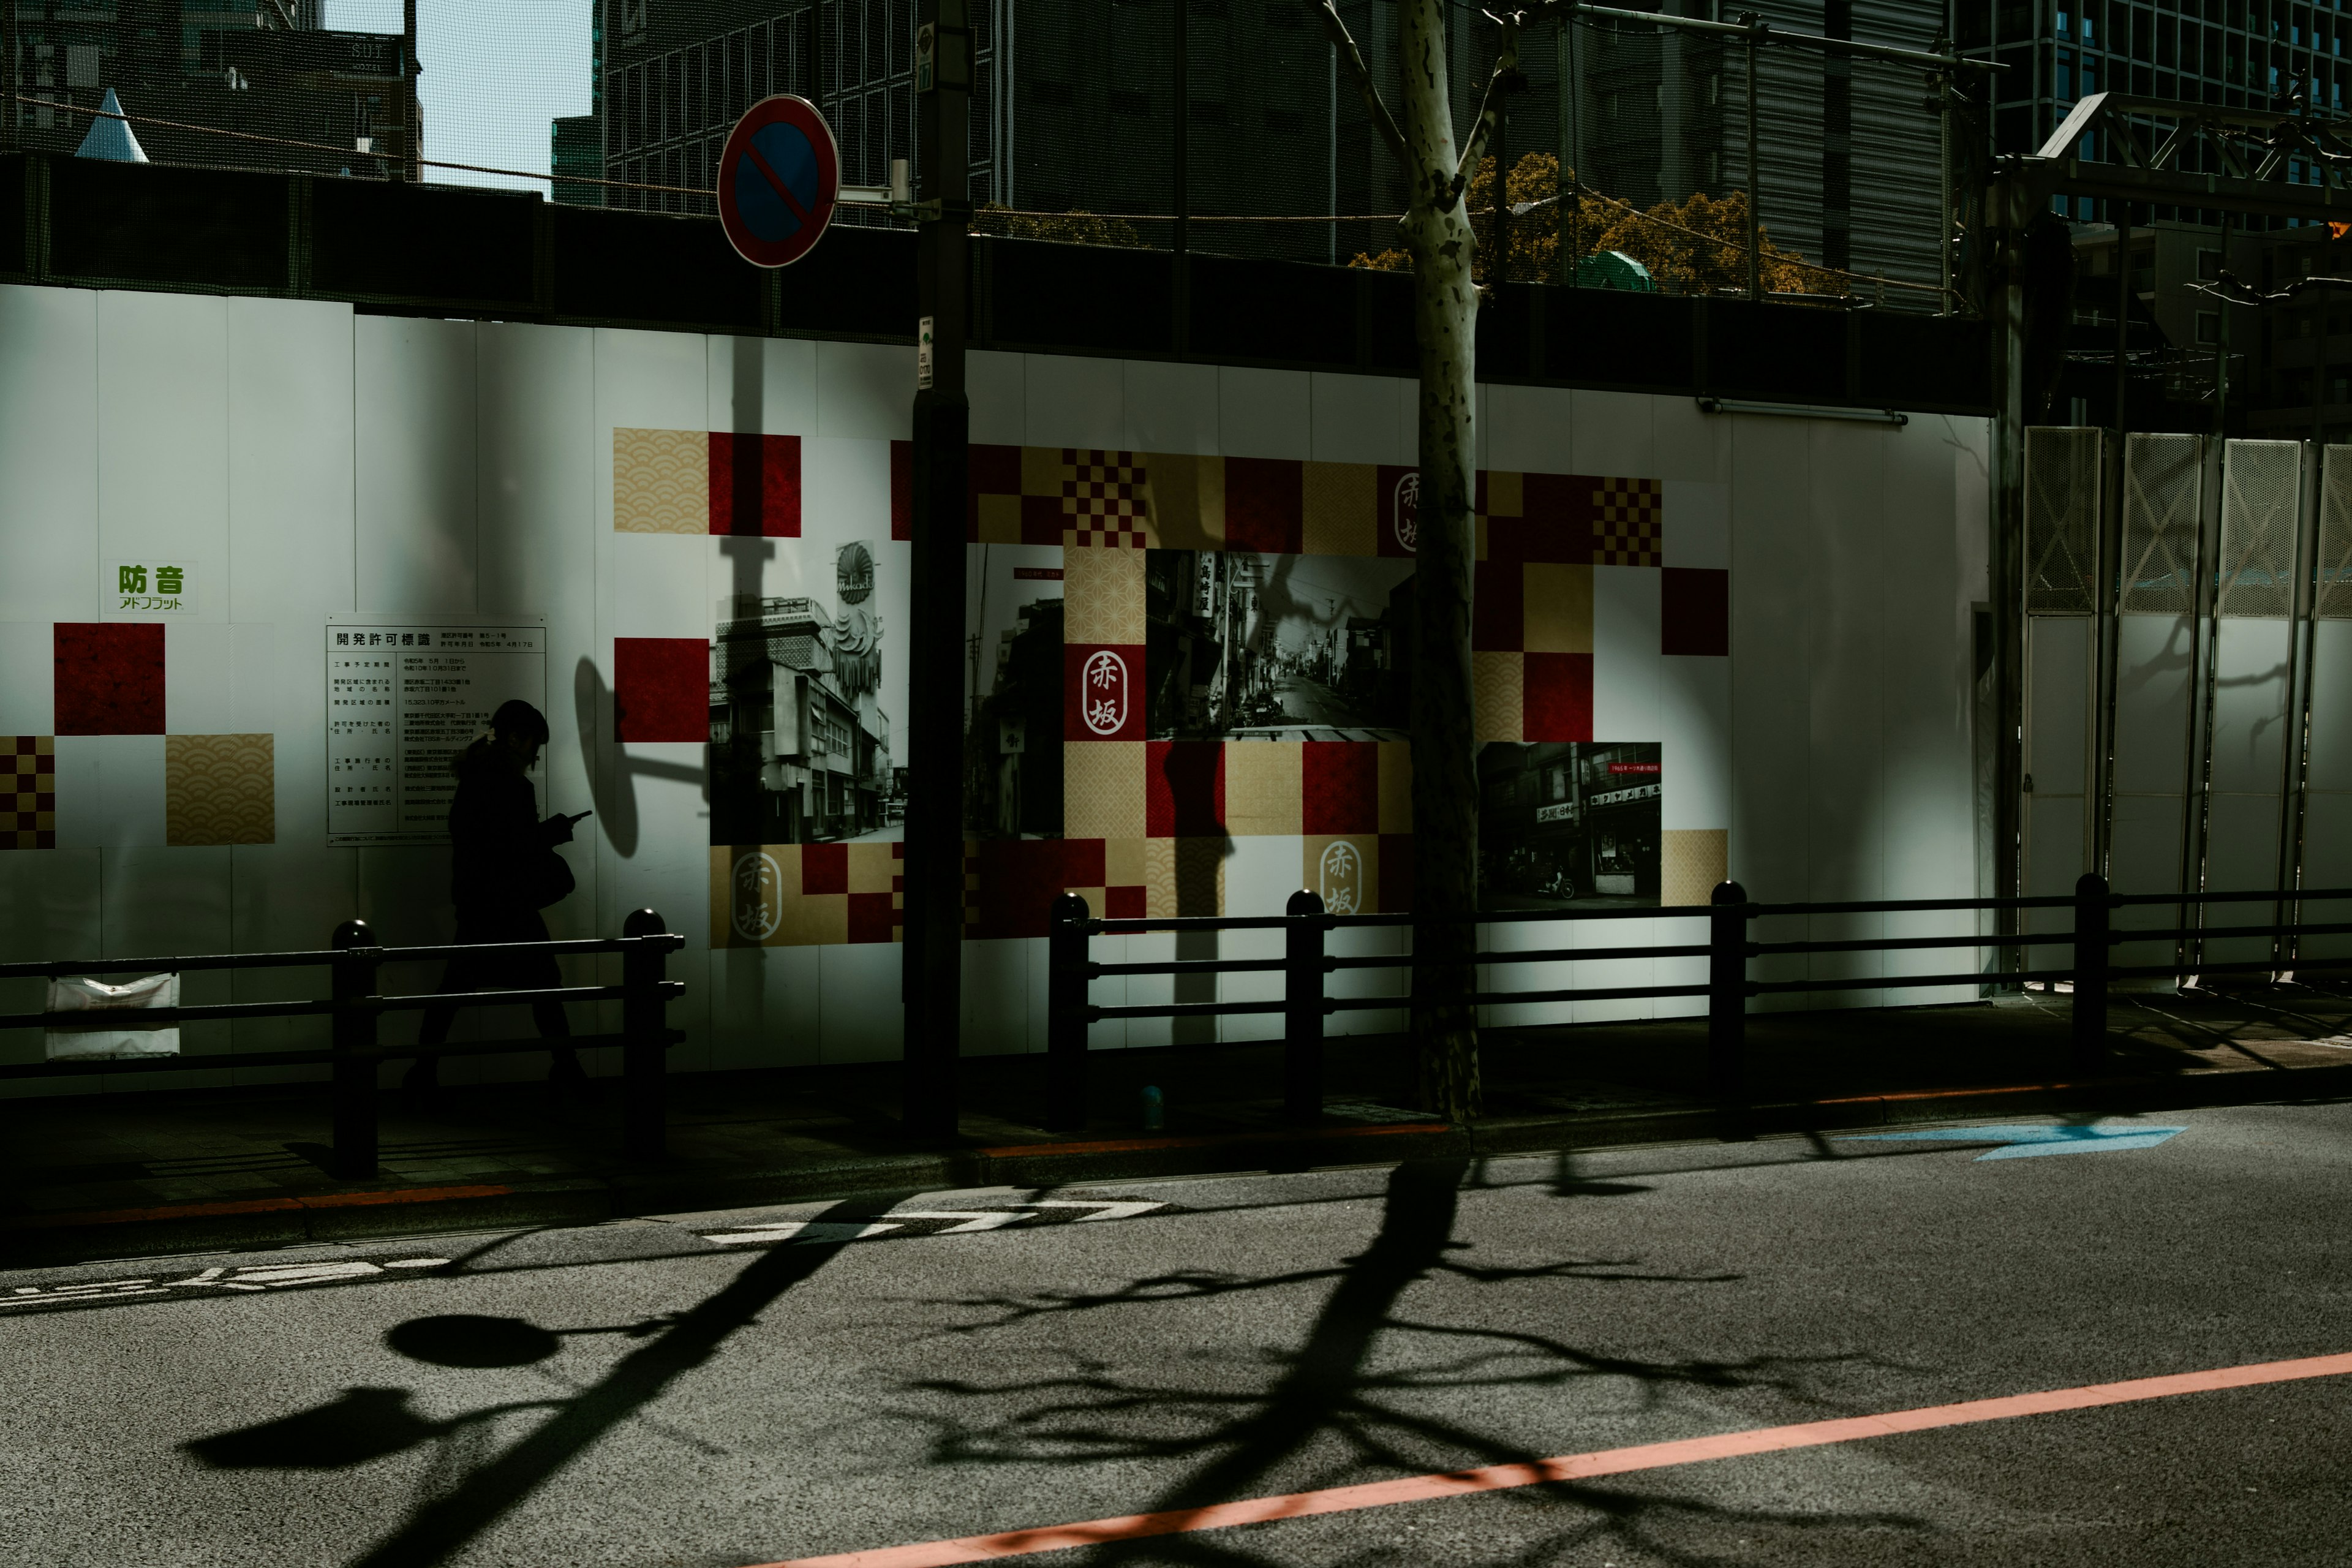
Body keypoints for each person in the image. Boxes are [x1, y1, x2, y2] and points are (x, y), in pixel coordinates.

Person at [403, 699, 590, 1099]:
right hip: (509, 904)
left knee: (454, 990)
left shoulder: (473, 779)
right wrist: (555, 830)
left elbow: (484, 843)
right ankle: (567, 1068)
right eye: (533, 744)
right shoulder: (512, 786)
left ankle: (422, 1070)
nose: (536, 754)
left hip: (479, 904)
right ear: (515, 738)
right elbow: (515, 847)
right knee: (545, 987)